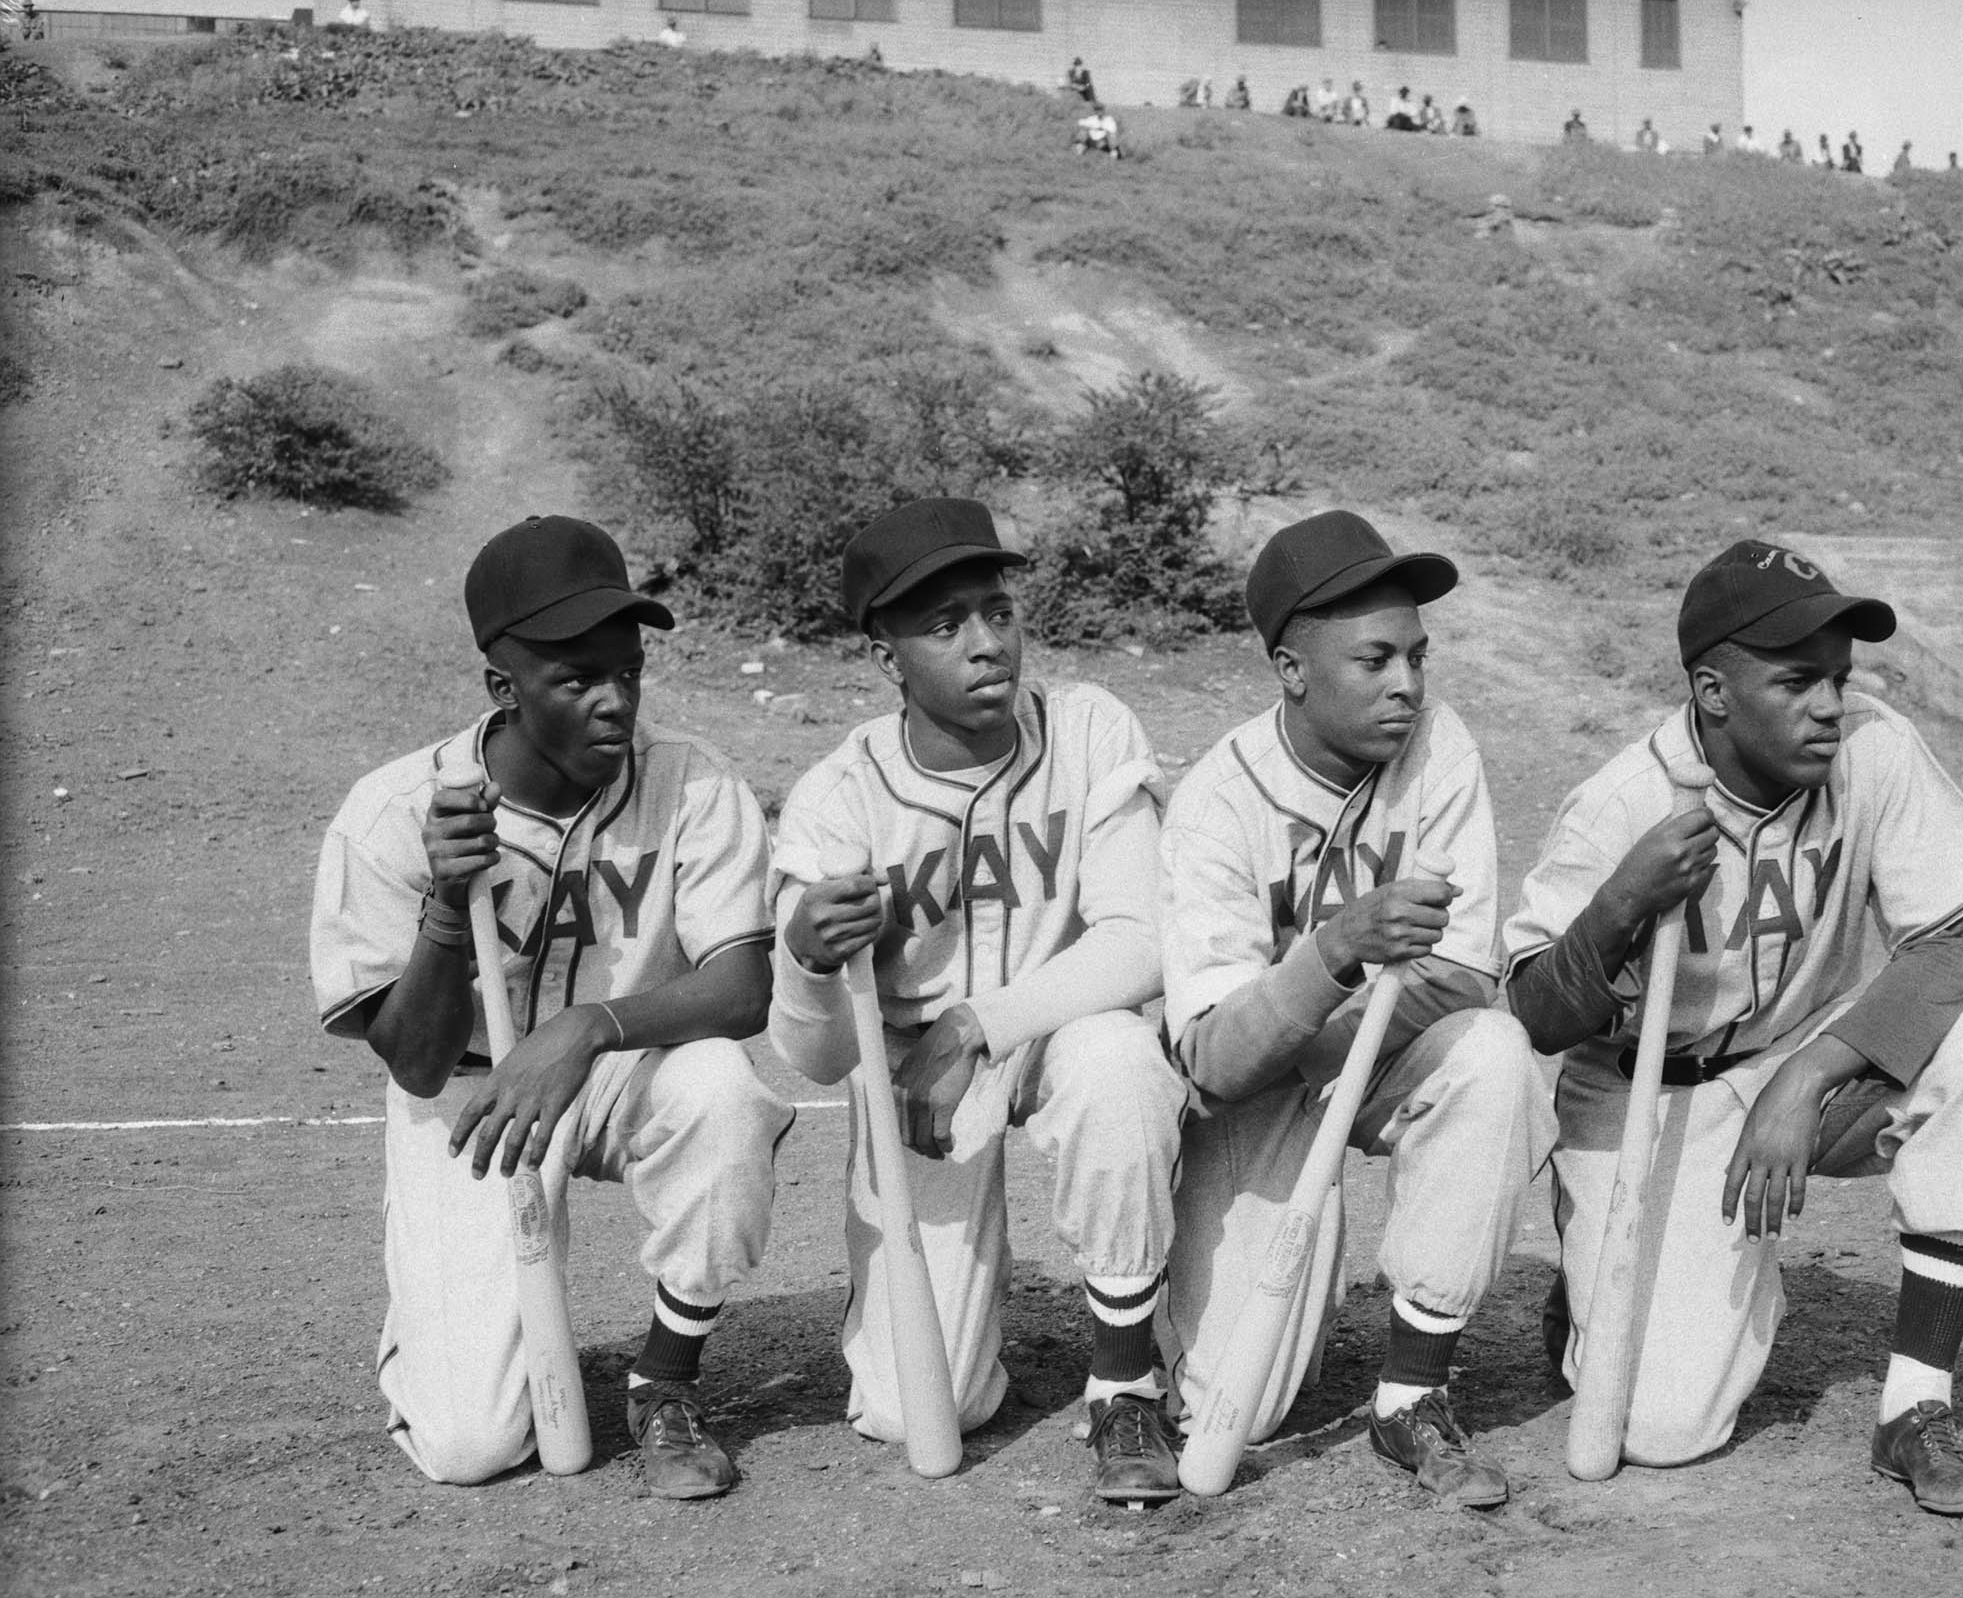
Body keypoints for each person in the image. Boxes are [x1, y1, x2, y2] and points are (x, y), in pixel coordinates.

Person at [1502, 540, 1963, 1509]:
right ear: (1714, 692)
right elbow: (1539, 1013)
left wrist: (1805, 1080)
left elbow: (1949, 947)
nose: (1831, 705)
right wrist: (1618, 906)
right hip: (1647, 1089)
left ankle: (1913, 1410)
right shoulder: (1624, 799)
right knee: (1662, 1432)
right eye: (1798, 682)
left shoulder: (1872, 747)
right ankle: (1599, 1286)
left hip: (1801, 1059)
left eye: (1838, 679)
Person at [309, 516, 791, 1498]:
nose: (614, 701)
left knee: (725, 1092)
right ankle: (446, 1329)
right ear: (504, 688)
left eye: (628, 671)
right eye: (576, 681)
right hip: (474, 1095)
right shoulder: (397, 813)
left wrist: (584, 1029)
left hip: (621, 1069)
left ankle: (666, 1377)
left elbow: (743, 989)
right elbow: (415, 1065)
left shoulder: (690, 783)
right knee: (471, 1448)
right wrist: (447, 909)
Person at [768, 500, 1188, 1501]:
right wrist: (806, 959)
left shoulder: (1088, 728)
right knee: (918, 1411)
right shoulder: (841, 796)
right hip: (917, 1078)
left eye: (997, 610)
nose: (987, 642)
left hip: (1057, 1030)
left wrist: (976, 1022)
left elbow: (1140, 941)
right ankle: (984, 1315)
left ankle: (1126, 1377)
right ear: (886, 656)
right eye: (946, 623)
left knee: (1122, 1060)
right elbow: (816, 1060)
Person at [1157, 512, 1554, 1507]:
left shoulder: (1439, 747)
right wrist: (1336, 950)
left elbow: (1464, 977)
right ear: (1291, 668)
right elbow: (1214, 1060)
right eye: (1374, 659)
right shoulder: (1217, 801)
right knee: (1231, 1407)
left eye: (1418, 657)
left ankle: (1412, 1395)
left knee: (1495, 1056)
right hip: (1253, 1093)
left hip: (1379, 1052)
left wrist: (1334, 1010)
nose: (1407, 685)